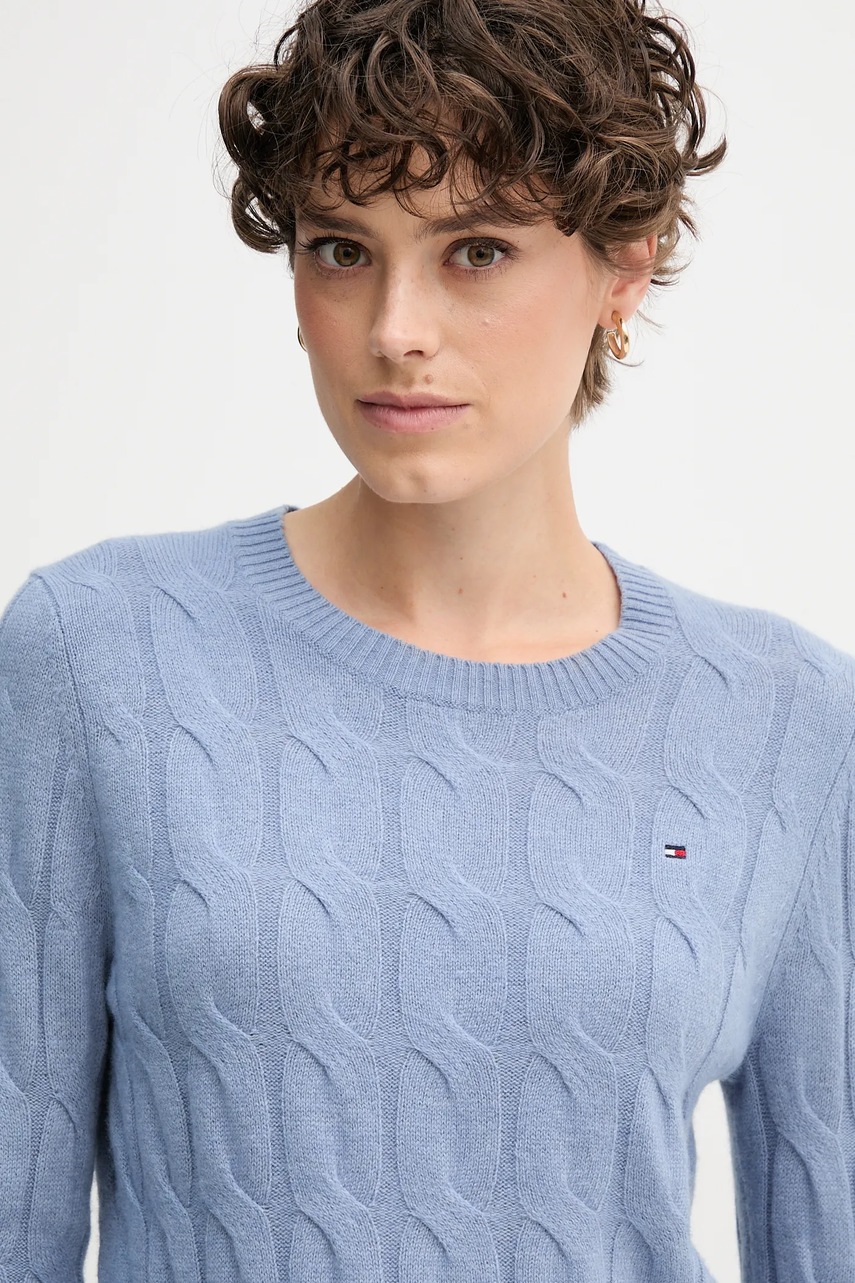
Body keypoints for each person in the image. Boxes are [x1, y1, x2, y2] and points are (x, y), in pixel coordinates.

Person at [1, 0, 854, 1279]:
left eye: (477, 251)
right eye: (343, 249)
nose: (396, 327)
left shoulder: (785, 718)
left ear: (625, 264)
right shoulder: (98, 655)